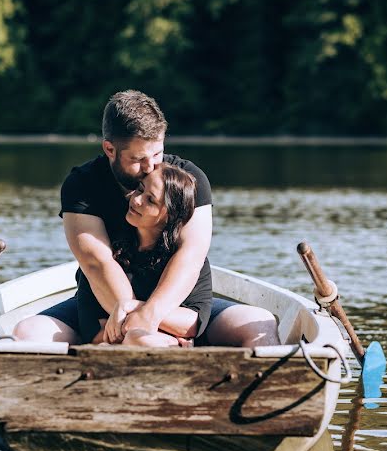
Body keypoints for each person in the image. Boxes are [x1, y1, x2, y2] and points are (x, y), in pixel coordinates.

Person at [14, 89, 278, 347]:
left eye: (157, 153)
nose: (151, 166)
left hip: (176, 306)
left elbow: (190, 256)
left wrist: (148, 315)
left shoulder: (188, 180)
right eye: (139, 159)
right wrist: (128, 316)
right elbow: (97, 263)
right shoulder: (82, 185)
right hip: (104, 301)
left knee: (259, 323)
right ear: (109, 149)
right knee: (28, 333)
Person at [77, 163, 211, 347]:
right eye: (140, 189)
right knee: (135, 339)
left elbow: (193, 323)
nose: (137, 200)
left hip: (162, 350)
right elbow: (92, 330)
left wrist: (129, 307)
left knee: (138, 339)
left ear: (169, 215)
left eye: (150, 200)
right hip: (143, 347)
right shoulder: (107, 253)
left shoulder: (182, 260)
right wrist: (152, 328)